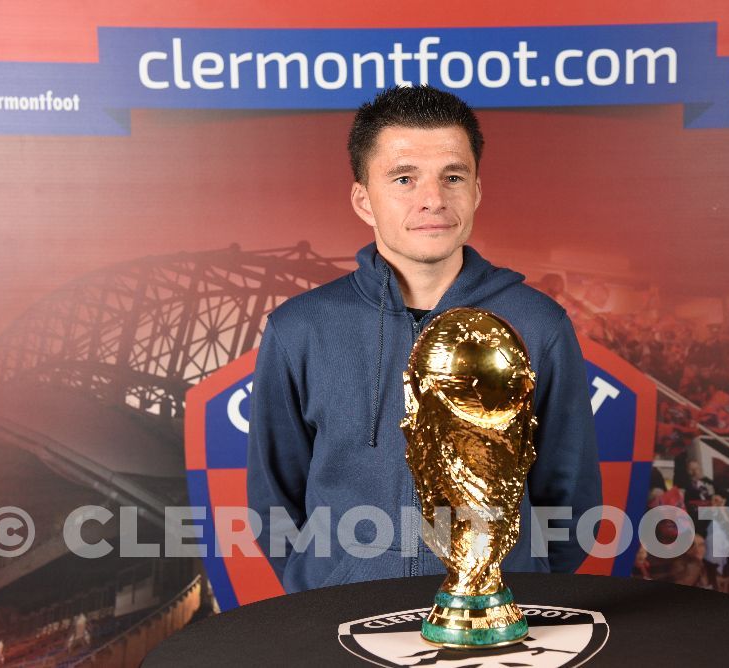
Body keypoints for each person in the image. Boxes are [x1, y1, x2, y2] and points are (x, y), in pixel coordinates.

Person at [247, 85, 602, 593]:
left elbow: (569, 494)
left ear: (476, 191)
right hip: (337, 615)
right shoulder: (299, 329)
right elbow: (273, 497)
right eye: (404, 178)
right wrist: (324, 585)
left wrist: (524, 583)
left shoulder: (539, 324)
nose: (432, 199)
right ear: (363, 199)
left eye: (452, 177)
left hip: (496, 619)